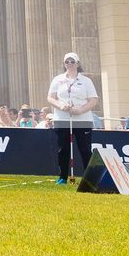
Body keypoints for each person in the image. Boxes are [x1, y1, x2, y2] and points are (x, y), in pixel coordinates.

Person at [47, 51, 99, 184]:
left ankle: (89, 178)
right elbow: (51, 98)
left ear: (77, 63)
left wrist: (80, 110)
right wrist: (61, 105)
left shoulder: (86, 81)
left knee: (85, 149)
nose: (69, 64)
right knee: (63, 149)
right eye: (67, 62)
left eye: (72, 61)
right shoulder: (57, 79)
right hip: (62, 119)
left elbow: (93, 100)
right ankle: (63, 177)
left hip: (83, 120)